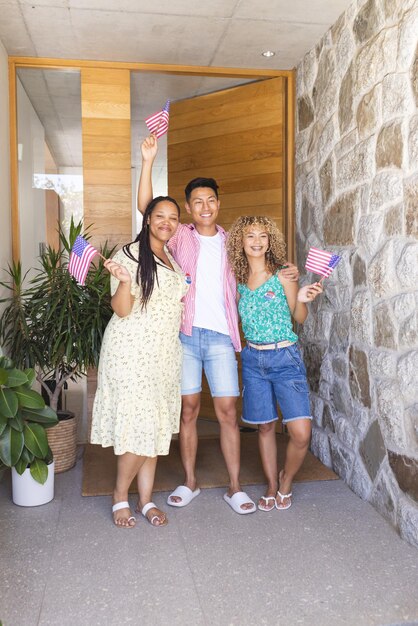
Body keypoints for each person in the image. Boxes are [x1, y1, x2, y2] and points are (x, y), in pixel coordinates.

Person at [137, 134, 299, 515]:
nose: (204, 206)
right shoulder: (180, 236)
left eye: (210, 200)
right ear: (189, 209)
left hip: (223, 338)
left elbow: (263, 257)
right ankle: (190, 481)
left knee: (227, 411)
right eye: (197, 202)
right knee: (189, 410)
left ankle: (235, 486)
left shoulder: (233, 242)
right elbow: (149, 209)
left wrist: (288, 271)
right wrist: (147, 161)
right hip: (187, 335)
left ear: (218, 204)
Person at [90, 196, 189, 528]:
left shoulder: (171, 258)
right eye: (159, 215)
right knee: (140, 425)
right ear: (147, 219)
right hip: (132, 351)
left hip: (164, 353)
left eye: (173, 217)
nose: (167, 222)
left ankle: (145, 500)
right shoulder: (128, 254)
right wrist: (124, 281)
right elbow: (121, 309)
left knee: (156, 425)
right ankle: (120, 496)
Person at [226, 216, 323, 511]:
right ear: (240, 243)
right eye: (250, 236)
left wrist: (302, 298)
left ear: (270, 241)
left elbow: (299, 317)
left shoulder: (284, 274)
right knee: (265, 428)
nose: (256, 241)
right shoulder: (237, 280)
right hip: (253, 359)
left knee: (301, 433)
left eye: (263, 236)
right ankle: (270, 484)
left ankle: (286, 480)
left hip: (285, 357)